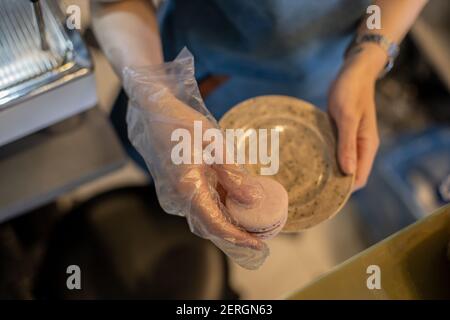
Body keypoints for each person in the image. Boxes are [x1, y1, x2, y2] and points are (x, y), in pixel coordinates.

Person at [90, 0, 428, 267]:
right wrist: (156, 99)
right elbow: (115, 2)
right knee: (176, 183)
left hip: (323, 85)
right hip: (193, 86)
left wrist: (368, 57)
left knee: (260, 207)